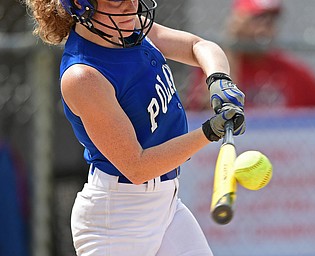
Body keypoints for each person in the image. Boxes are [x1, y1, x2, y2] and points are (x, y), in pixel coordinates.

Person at [25, 0, 245, 255]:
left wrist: (219, 79)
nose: (131, 7)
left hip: (167, 204)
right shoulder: (83, 76)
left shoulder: (131, 28)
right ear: (81, 5)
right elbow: (138, 167)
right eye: (117, 0)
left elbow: (199, 46)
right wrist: (210, 131)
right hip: (117, 221)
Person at [186, 0, 315, 111]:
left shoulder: (291, 70)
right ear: (238, 21)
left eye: (271, 20)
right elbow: (206, 111)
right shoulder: (214, 64)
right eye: (258, 18)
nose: (265, 27)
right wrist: (233, 45)